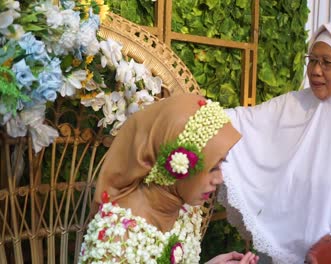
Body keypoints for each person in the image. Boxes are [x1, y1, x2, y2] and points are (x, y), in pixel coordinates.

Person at [217, 23, 331, 263]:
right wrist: (194, 113)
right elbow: (244, 122)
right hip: (277, 252)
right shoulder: (294, 106)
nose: (315, 70)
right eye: (312, 59)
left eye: (326, 62)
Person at [78, 94, 259, 264]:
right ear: (178, 163)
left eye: (221, 164)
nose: (219, 179)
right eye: (212, 168)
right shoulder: (118, 238)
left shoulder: (185, 210)